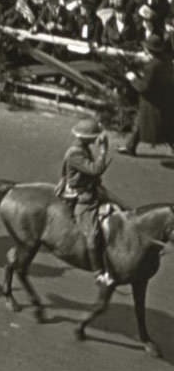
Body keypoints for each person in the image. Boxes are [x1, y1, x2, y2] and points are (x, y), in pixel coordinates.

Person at [57, 118, 117, 286]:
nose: (96, 139)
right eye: (94, 136)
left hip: (92, 189)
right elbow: (95, 169)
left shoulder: (82, 148)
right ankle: (98, 272)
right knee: (92, 235)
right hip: (82, 197)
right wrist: (103, 151)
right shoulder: (76, 153)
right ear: (86, 137)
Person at [119, 36, 174, 155]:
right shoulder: (166, 61)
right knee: (142, 122)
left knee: (155, 125)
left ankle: (130, 146)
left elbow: (144, 87)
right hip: (165, 98)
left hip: (152, 102)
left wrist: (132, 78)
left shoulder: (152, 66)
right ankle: (130, 146)